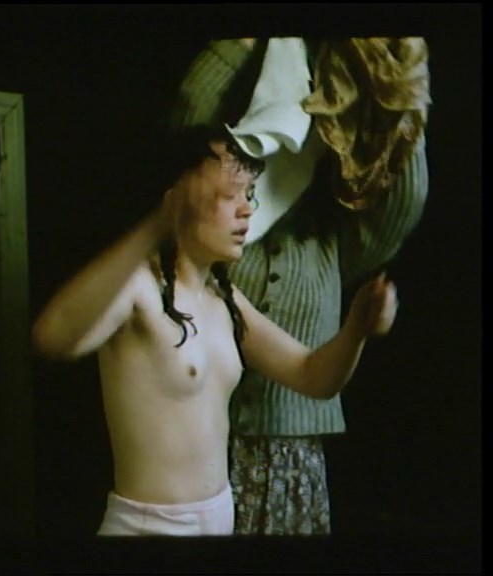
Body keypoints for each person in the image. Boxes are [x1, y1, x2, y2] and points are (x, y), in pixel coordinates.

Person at [31, 125, 399, 537]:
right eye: (229, 195)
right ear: (177, 199)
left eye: (249, 195)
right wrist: (156, 226)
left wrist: (356, 328)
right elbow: (51, 336)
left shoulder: (225, 299)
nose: (246, 211)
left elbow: (313, 376)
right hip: (148, 529)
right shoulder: (139, 287)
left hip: (221, 520)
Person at [168, 37, 430, 535]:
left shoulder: (331, 243)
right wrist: (245, 41)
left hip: (293, 451)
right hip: (200, 441)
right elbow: (188, 121)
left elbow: (403, 201)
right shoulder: (215, 239)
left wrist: (405, 100)